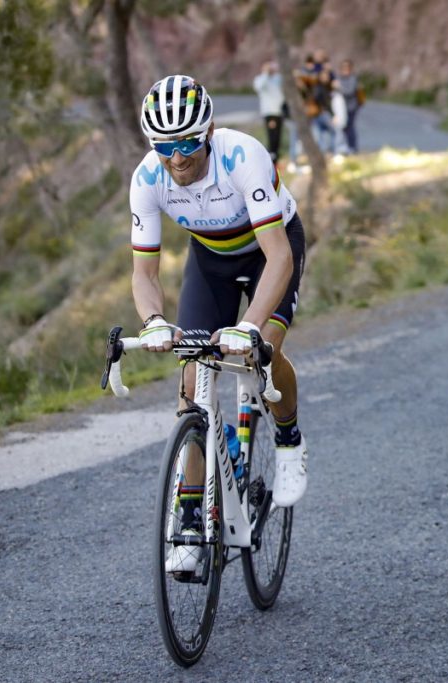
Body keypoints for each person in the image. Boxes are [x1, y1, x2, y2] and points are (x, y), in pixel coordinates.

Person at [130, 75, 309, 573]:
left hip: (270, 251)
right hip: (211, 261)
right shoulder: (148, 178)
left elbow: (278, 258)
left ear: (207, 132)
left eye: (188, 142)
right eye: (165, 145)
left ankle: (290, 438)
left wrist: (249, 327)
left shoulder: (242, 156)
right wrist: (153, 321)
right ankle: (190, 516)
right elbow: (144, 272)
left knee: (261, 354)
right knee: (191, 381)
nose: (178, 156)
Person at [253, 60, 286, 164]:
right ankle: (271, 159)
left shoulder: (277, 78)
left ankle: (276, 158)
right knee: (272, 137)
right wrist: (266, 73)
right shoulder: (261, 79)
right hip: (269, 113)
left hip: (279, 112)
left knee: (278, 138)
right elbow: (259, 86)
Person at [336, 59, 365, 154]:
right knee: (343, 127)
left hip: (351, 106)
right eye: (343, 68)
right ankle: (345, 146)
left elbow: (349, 91)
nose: (345, 70)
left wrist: (339, 88)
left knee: (350, 127)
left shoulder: (353, 79)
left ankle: (353, 147)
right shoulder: (339, 78)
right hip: (341, 108)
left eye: (347, 68)